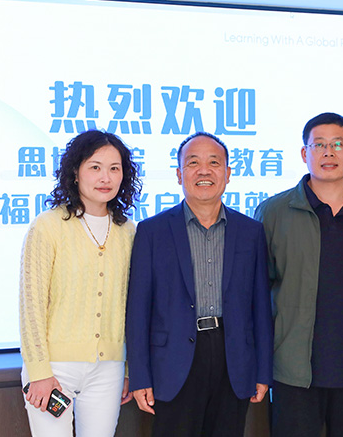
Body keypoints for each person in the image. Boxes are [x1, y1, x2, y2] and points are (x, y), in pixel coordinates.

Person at [254, 112, 343, 437]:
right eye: (319, 145)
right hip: (293, 371)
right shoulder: (274, 213)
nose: (328, 152)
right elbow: (261, 288)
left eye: (337, 144)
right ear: (305, 153)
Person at [126, 132, 273, 437]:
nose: (204, 171)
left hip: (233, 359)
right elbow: (138, 310)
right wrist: (139, 376)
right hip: (173, 362)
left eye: (214, 163)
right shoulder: (152, 232)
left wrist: (263, 371)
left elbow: (261, 307)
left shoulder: (251, 232)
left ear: (228, 173)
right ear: (179, 174)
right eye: (193, 163)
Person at [19, 130, 141, 437]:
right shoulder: (48, 226)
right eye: (95, 167)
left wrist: (129, 369)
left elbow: (134, 308)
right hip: (55, 367)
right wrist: (39, 372)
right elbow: (31, 305)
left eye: (114, 168)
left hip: (109, 369)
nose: (105, 177)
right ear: (75, 172)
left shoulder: (129, 232)